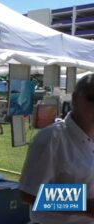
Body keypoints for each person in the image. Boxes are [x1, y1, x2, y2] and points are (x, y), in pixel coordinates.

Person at [19, 74, 94, 224]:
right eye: (92, 98)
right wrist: (84, 205)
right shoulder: (51, 138)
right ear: (74, 99)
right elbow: (28, 193)